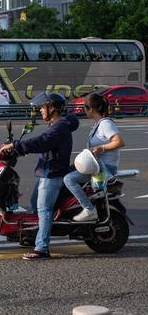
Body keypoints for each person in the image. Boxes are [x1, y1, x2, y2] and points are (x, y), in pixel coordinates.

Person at [0, 93, 79, 260]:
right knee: (35, 204)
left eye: (43, 107)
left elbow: (42, 142)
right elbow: (45, 146)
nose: (40, 110)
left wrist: (16, 145)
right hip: (47, 171)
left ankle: (42, 248)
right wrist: (19, 151)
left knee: (44, 210)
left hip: (53, 174)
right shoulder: (55, 124)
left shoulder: (59, 127)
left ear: (53, 108)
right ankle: (33, 235)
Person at [64, 93, 125, 222]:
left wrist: (100, 148)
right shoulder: (98, 124)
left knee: (69, 179)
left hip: (104, 169)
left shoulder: (105, 124)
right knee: (70, 172)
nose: (85, 111)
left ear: (90, 109)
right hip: (97, 167)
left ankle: (88, 209)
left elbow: (119, 142)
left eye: (85, 108)